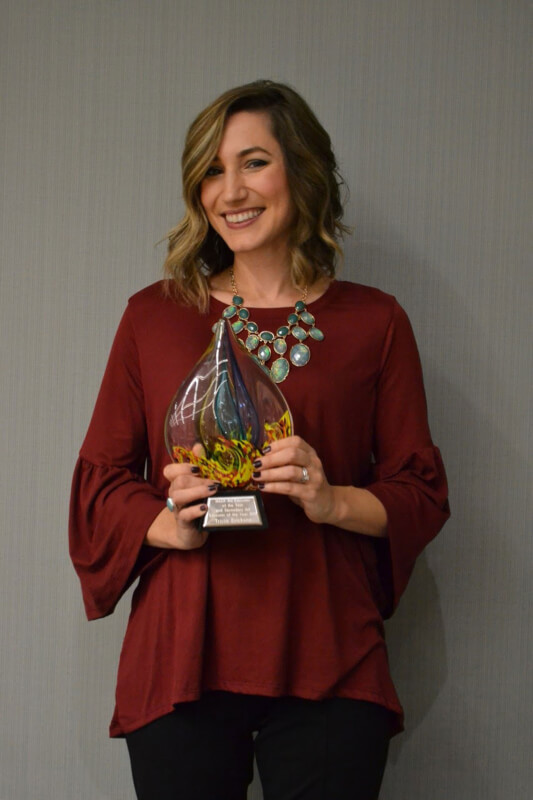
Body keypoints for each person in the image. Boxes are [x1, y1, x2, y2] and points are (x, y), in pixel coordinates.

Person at [69, 80, 450, 800]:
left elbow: (419, 491)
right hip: (182, 655)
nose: (230, 190)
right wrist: (168, 524)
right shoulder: (151, 317)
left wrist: (330, 497)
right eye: (212, 170)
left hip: (328, 649)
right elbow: (102, 481)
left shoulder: (376, 322)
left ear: (300, 172)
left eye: (252, 162)